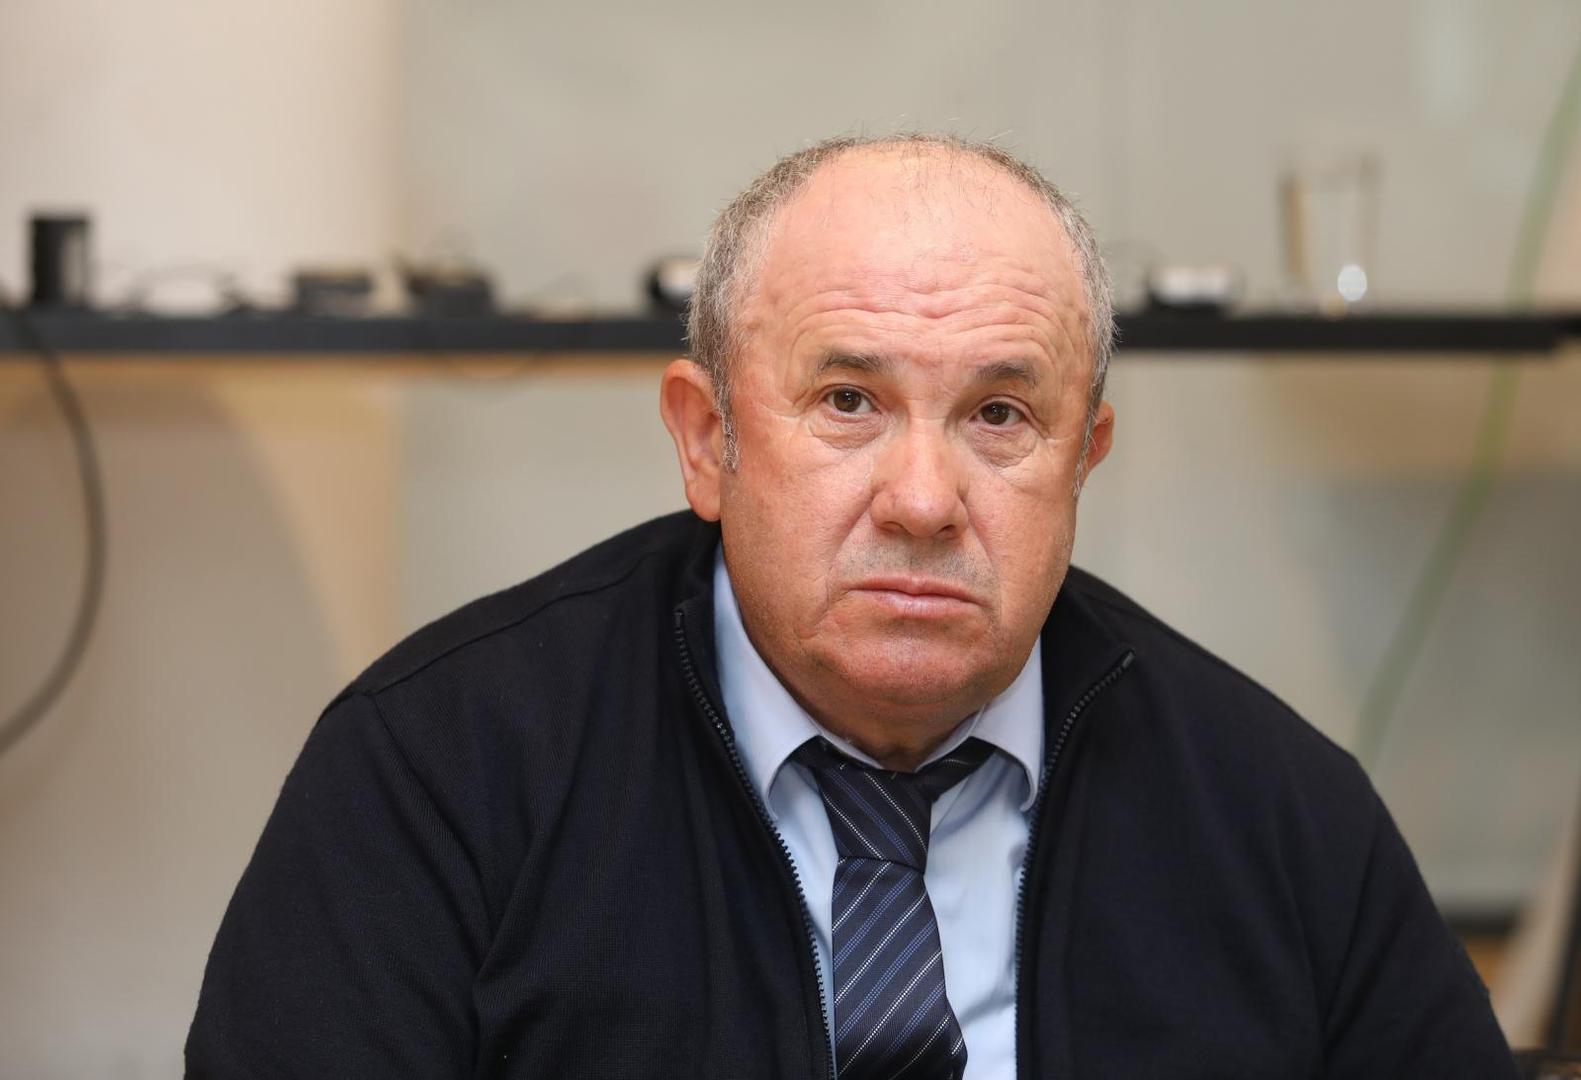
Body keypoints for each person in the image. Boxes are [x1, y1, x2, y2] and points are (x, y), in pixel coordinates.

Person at [186, 134, 1516, 1078]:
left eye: (1000, 416)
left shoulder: (1278, 811)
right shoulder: (439, 771)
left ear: (1083, 460)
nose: (923, 501)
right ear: (705, 441)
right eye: (847, 403)